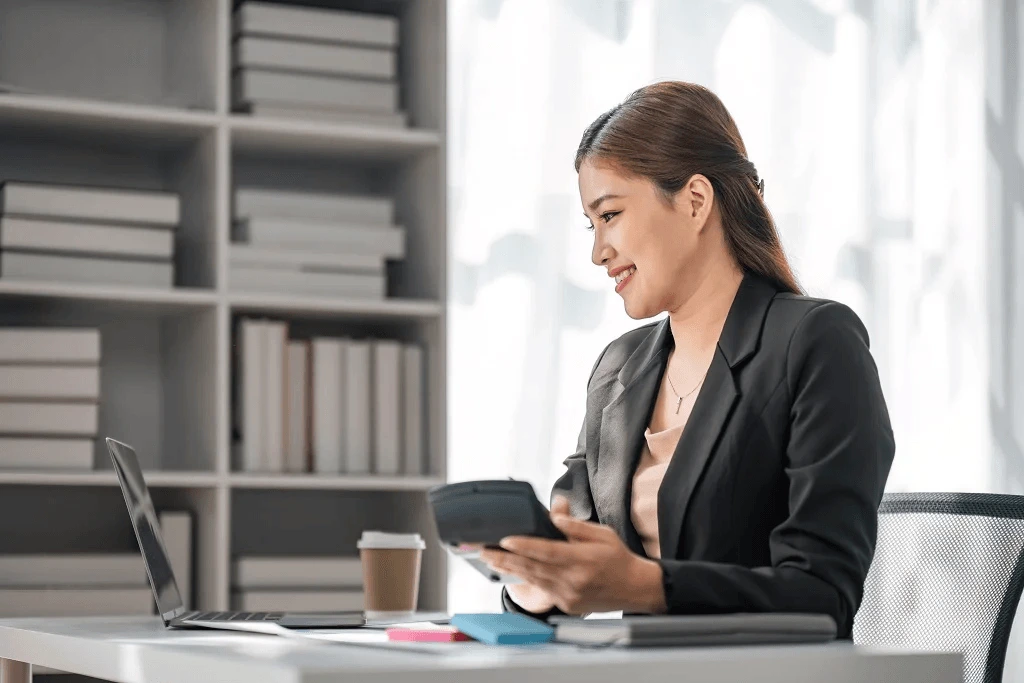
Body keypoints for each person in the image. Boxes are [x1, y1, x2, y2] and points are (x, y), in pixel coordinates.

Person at [480, 81, 895, 639]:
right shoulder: (618, 369)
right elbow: (575, 537)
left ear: (695, 201)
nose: (597, 251)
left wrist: (642, 586)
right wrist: (534, 578)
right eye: (591, 224)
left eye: (610, 215)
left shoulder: (815, 341)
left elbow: (825, 593)